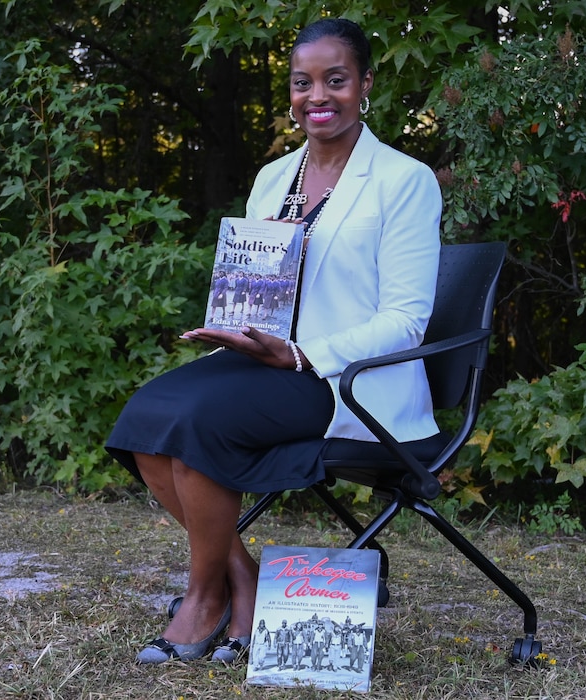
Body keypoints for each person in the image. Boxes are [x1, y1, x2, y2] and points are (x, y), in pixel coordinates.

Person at [105, 17, 442, 666]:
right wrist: (239, 327)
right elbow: (261, 283)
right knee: (146, 415)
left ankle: (202, 599)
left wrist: (299, 354)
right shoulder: (272, 179)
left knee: (203, 424)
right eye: (302, 82)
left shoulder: (403, 181)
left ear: (365, 85)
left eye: (335, 80)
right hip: (266, 362)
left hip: (348, 380)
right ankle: (246, 580)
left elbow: (406, 320)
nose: (318, 95)